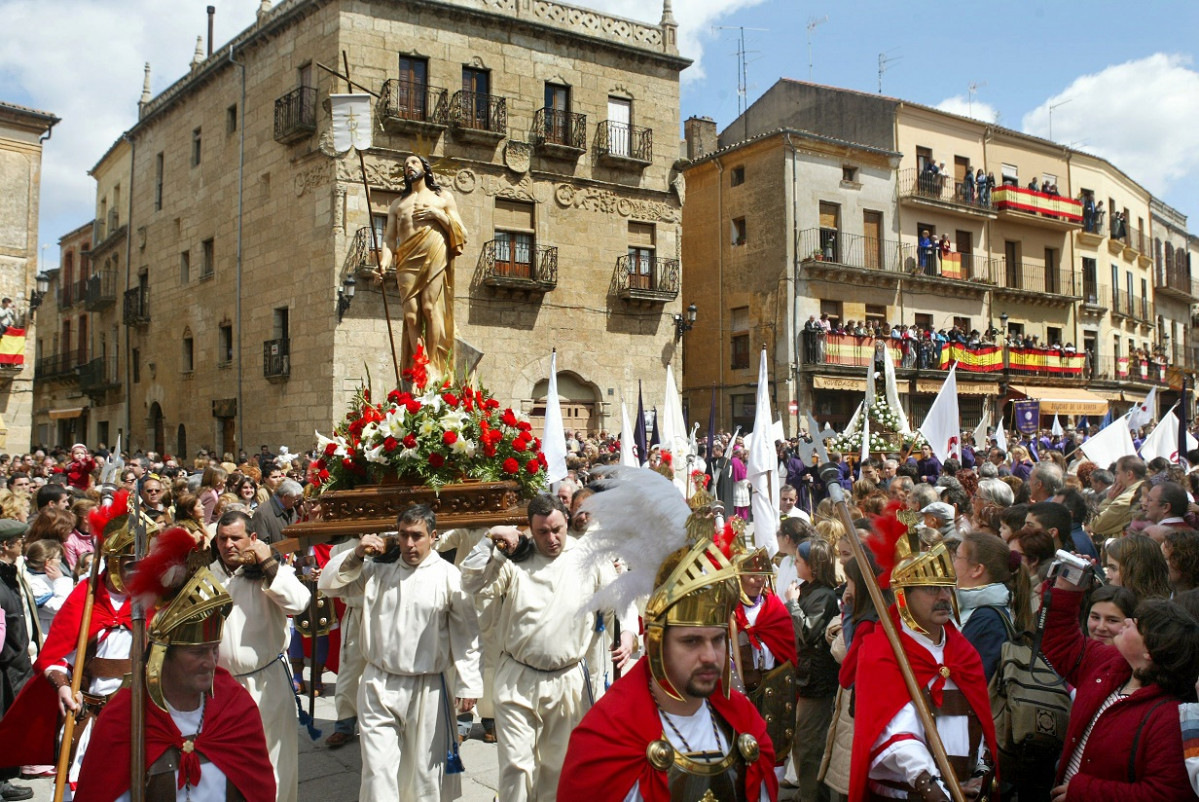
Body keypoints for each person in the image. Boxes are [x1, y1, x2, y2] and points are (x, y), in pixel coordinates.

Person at [558, 479, 778, 800]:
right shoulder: (607, 738)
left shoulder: (746, 725)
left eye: (717, 640)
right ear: (657, 643)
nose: (709, 656)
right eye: (691, 641)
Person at [75, 523, 275, 801]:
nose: (210, 661)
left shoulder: (235, 707)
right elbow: (101, 792)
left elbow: (258, 789)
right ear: (162, 655)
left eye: (213, 649)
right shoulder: (126, 716)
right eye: (196, 652)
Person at [459, 494, 635, 802]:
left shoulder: (588, 555)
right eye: (543, 532)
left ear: (566, 521)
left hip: (568, 681)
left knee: (558, 767)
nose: (552, 539)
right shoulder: (513, 558)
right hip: (518, 678)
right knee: (516, 766)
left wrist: (629, 632)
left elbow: (618, 596)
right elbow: (469, 581)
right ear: (529, 528)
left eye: (557, 529)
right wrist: (491, 540)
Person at [0, 491, 160, 793]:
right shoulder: (85, 599)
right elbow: (55, 657)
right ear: (113, 563)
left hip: (142, 712)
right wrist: (61, 684)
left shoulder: (155, 598)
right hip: (93, 713)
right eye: (130, 564)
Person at [320, 504, 482, 800]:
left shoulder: (449, 576)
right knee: (378, 771)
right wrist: (356, 554)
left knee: (423, 775)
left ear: (433, 536)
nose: (409, 543)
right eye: (404, 535)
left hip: (428, 687)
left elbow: (466, 632)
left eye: (417, 536)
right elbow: (329, 584)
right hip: (379, 683)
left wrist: (468, 681)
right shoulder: (377, 569)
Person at [849, 502, 997, 801]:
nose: (943, 597)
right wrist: (933, 788)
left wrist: (981, 774)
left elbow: (980, 723)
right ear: (904, 596)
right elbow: (895, 734)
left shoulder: (963, 652)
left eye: (946, 588)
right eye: (931, 589)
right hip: (908, 794)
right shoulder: (882, 651)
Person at [1044, 568, 1199, 801]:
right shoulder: (1110, 664)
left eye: (1136, 624)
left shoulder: (1170, 718)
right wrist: (1068, 588)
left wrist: (1084, 792)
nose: (1127, 621)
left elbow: (1165, 794)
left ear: (1150, 651)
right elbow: (1062, 643)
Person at [210, 511, 309, 802]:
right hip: (221, 687)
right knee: (227, 766)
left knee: (276, 762)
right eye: (223, 538)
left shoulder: (269, 571)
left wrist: (268, 563)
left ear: (252, 539)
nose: (229, 545)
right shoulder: (206, 576)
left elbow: (300, 602)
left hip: (268, 681)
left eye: (236, 538)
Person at [378, 154, 467, 376]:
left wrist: (438, 215)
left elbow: (462, 232)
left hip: (434, 250)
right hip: (406, 257)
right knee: (411, 315)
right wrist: (383, 263)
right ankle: (420, 363)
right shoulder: (398, 204)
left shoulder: (443, 197)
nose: (409, 167)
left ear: (426, 169)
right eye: (406, 165)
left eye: (414, 162)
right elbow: (389, 238)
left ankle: (432, 365)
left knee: (429, 307)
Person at [732, 544, 798, 775]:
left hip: (774, 683)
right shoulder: (730, 609)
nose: (758, 580)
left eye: (762, 576)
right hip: (743, 687)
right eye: (752, 576)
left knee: (775, 749)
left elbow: (787, 646)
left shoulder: (774, 606)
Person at [783, 539, 840, 800]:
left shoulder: (825, 596)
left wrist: (792, 604)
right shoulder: (808, 589)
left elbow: (806, 632)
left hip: (816, 682)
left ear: (813, 566)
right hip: (803, 677)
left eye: (799, 560)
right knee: (800, 741)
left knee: (810, 747)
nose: (795, 563)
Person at [953, 531, 1028, 680]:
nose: (953, 562)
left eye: (957, 556)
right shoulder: (972, 608)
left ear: (977, 569)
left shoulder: (989, 621)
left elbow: (968, 681)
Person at [0, 520, 35, 801]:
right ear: (5, 545)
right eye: (19, 540)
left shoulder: (11, 573)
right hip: (4, 667)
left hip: (16, 663)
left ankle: (4, 778)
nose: (23, 544)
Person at [1088, 456, 1147, 540]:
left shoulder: (1126, 499)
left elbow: (1095, 525)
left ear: (1129, 474)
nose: (1115, 477)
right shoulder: (1144, 490)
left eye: (1117, 473)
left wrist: (1108, 500)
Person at [1103, 534, 1172, 601]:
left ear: (1138, 571)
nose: (1107, 576)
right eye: (1108, 568)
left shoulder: (1159, 611)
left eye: (1113, 568)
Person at [249, 477, 304, 545]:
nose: (297, 503)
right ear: (285, 497)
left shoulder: (291, 509)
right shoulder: (262, 513)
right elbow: (261, 543)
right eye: (295, 499)